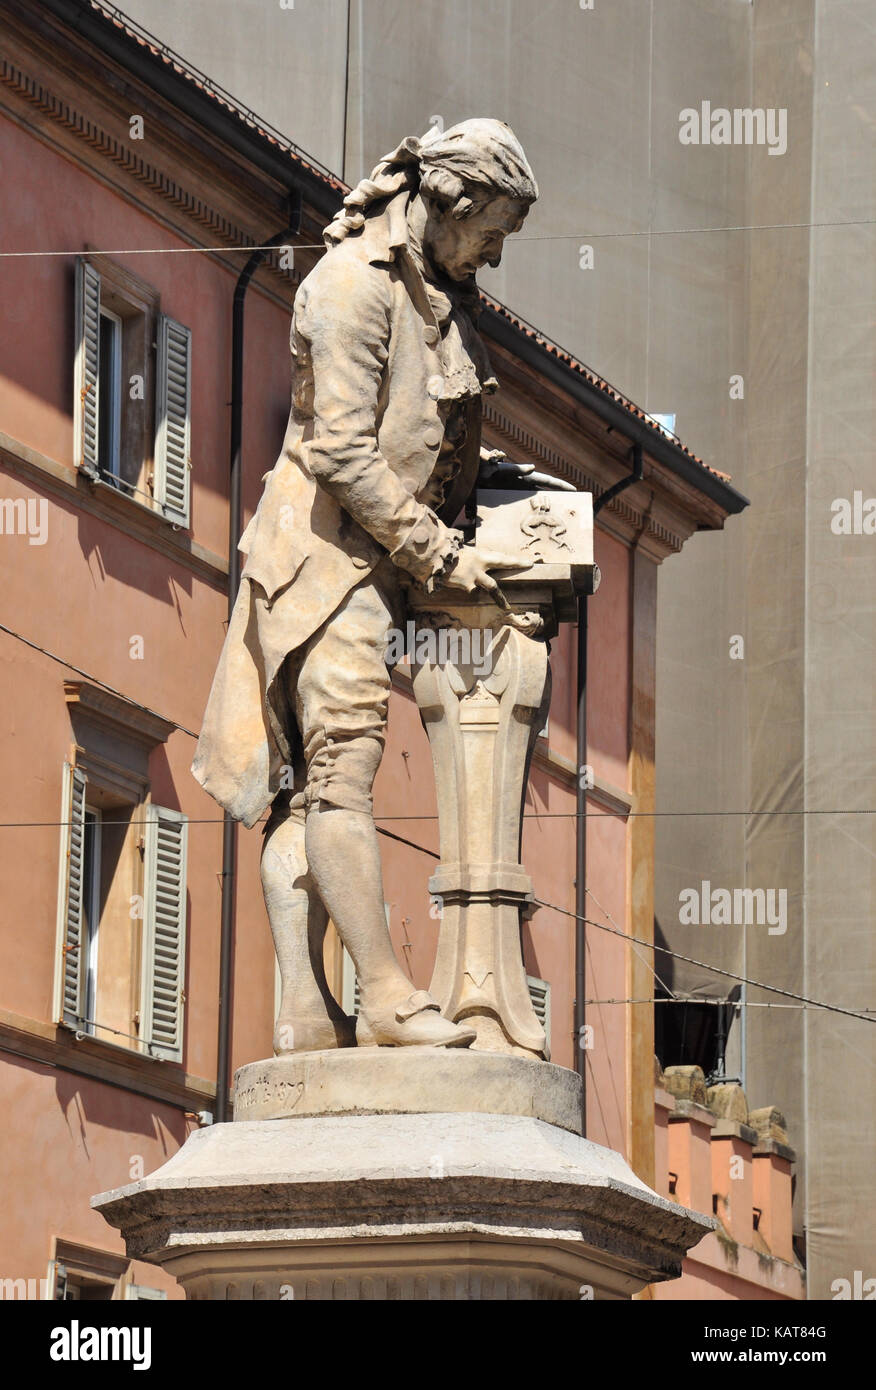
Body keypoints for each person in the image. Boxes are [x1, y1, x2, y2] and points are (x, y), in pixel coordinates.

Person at [193, 119, 539, 1050]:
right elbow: (342, 450)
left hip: (362, 565)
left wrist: (497, 484)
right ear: (450, 203)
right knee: (339, 776)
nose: (495, 255)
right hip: (324, 566)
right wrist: (438, 551)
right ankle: (384, 996)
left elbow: (413, 433)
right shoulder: (351, 287)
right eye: (493, 232)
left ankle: (305, 1017)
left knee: (312, 792)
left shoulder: (432, 295)